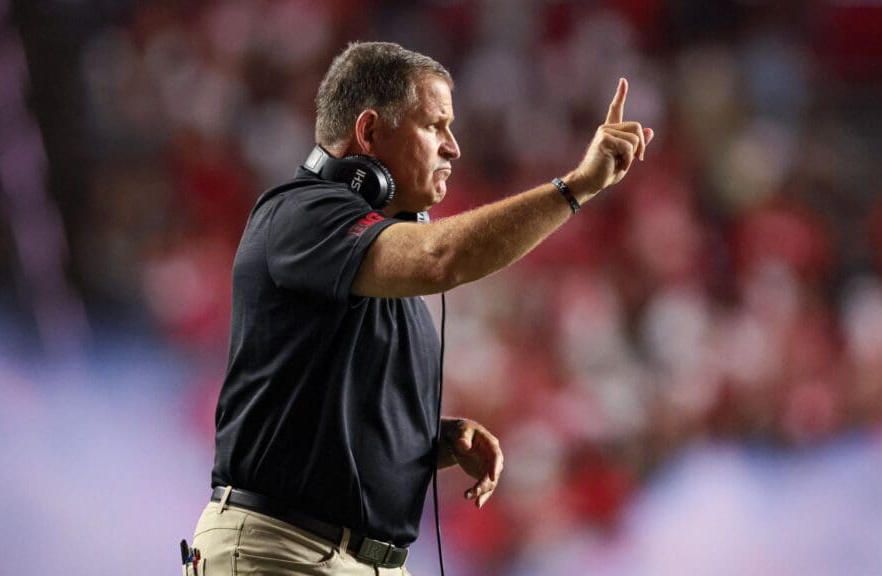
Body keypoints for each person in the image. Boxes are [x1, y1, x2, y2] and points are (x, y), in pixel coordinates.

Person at [188, 41, 652, 576]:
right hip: (281, 550)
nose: (454, 148)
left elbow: (327, 414)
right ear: (369, 133)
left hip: (360, 559)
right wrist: (575, 188)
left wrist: (438, 440)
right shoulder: (301, 213)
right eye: (435, 126)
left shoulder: (376, 261)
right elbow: (441, 257)